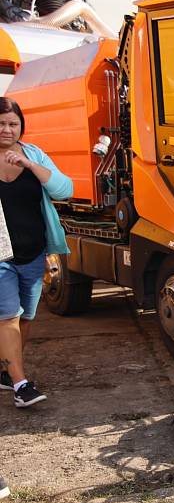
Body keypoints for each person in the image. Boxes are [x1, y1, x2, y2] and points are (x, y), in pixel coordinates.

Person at [0, 97, 73, 408]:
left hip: (32, 253)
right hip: (1, 256)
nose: (6, 129)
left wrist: (30, 164)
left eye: (12, 124)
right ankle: (20, 384)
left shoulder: (34, 154)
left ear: (21, 127)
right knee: (7, 317)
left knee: (26, 317)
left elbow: (64, 189)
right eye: (1, 123)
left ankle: (6, 371)